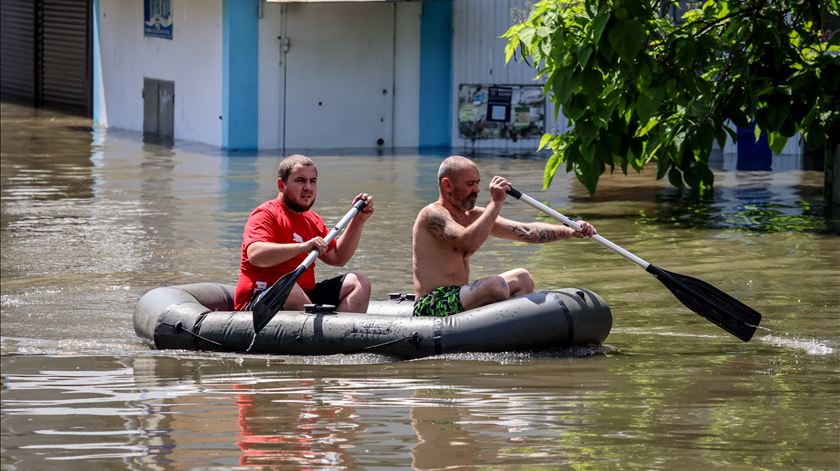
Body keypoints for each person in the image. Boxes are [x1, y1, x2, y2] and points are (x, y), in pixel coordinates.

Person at [411, 155, 596, 317]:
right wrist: (496, 203)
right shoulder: (433, 215)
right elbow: (466, 243)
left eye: (477, 183)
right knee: (495, 285)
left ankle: (512, 329)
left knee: (522, 277)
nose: (476, 190)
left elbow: (527, 232)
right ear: (447, 185)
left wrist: (569, 231)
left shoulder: (474, 216)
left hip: (460, 295)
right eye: (469, 184)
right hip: (433, 303)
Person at [234, 154, 374, 312]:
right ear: (281, 185)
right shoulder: (265, 214)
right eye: (300, 180)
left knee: (359, 282)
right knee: (289, 289)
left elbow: (337, 257)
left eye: (312, 181)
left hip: (303, 297)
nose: (308, 187)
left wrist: (358, 221)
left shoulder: (312, 220)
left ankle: (337, 334)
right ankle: (319, 331)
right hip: (261, 299)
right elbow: (255, 255)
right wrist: (302, 247)